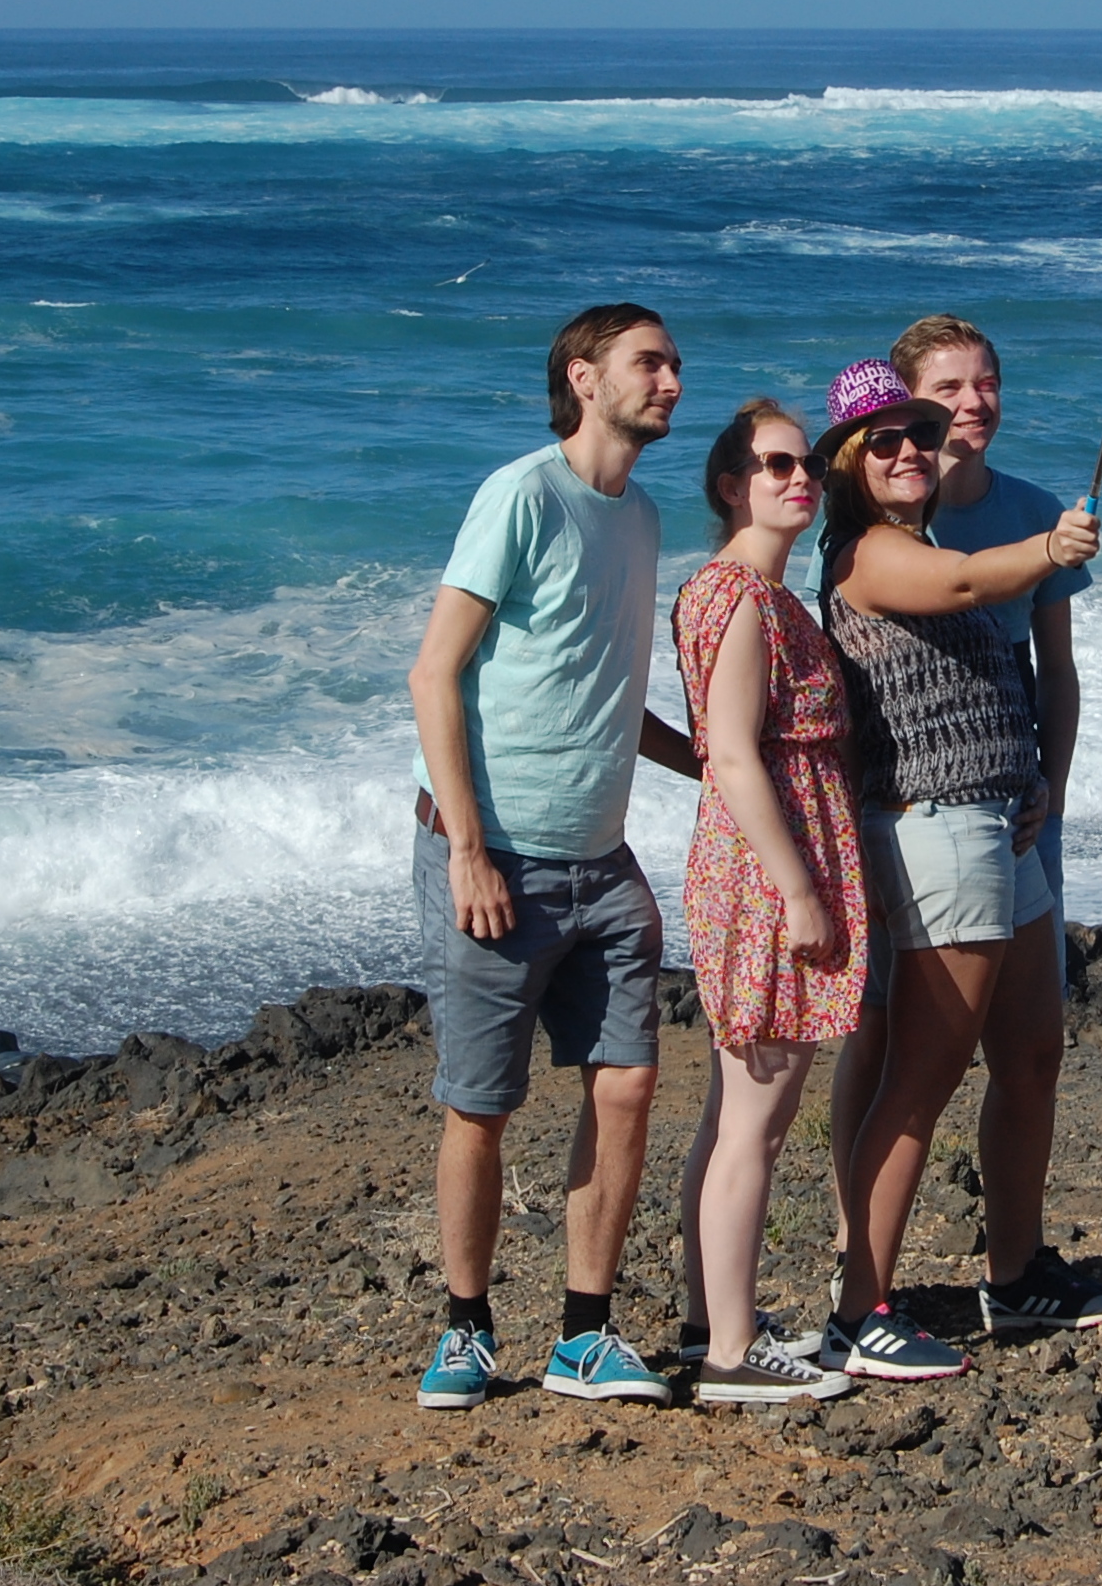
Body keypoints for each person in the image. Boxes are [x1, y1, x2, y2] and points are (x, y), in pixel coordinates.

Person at [405, 303, 699, 1411]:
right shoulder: (522, 494)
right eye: (649, 362)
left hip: (602, 861)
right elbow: (435, 672)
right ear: (584, 377)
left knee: (626, 1081)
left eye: (673, 363)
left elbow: (609, 696)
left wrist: (716, 767)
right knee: (479, 1102)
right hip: (498, 857)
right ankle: (466, 1326)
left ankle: (584, 1331)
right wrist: (469, 851)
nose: (671, 379)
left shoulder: (643, 517)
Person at [812, 357, 1100, 1379]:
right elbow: (973, 582)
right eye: (882, 440)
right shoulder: (866, 554)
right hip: (936, 833)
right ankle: (860, 1309)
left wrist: (1033, 778)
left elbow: (999, 664)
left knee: (1030, 1048)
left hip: (998, 824)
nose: (906, 451)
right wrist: (1050, 546)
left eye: (918, 437)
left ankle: (1016, 1278)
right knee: (919, 1076)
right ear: (848, 461)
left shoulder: (918, 537)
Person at [888, 315, 1102, 1336]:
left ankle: (1016, 1266)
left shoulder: (1034, 508)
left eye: (986, 381)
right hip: (917, 816)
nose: (973, 400)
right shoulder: (887, 518)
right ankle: (862, 1286)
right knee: (906, 1057)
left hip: (1021, 812)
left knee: (1031, 1048)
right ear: (906, 402)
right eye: (950, 385)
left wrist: (1055, 785)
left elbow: (1055, 670)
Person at [667, 400, 866, 1404]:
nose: (802, 478)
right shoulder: (737, 595)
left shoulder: (758, 594)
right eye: (778, 464)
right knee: (759, 1111)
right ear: (729, 484)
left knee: (734, 1106)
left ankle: (715, 1313)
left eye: (808, 466)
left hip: (763, 857)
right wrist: (797, 887)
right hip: (762, 870)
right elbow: (735, 752)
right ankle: (732, 1354)